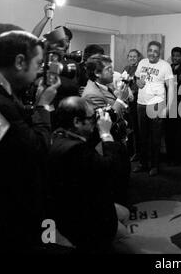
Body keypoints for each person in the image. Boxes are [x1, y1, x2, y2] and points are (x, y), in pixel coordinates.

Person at [0, 30, 60, 250]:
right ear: (20, 62)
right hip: (7, 204)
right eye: (38, 63)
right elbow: (37, 147)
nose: (40, 70)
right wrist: (43, 106)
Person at [46, 96, 131, 252]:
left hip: (77, 204)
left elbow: (87, 141)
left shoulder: (60, 135)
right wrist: (106, 134)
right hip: (84, 219)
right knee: (124, 235)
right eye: (92, 117)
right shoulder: (74, 151)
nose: (95, 120)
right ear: (77, 122)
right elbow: (112, 169)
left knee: (124, 213)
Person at [81, 54, 132, 201]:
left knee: (122, 173)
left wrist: (121, 97)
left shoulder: (103, 86)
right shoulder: (92, 93)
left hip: (117, 138)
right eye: (108, 69)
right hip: (106, 143)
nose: (112, 72)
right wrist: (120, 100)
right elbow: (106, 118)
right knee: (114, 178)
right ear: (97, 73)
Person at [133, 41, 174, 176]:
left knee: (155, 138)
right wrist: (137, 81)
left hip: (157, 104)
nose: (152, 53)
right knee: (142, 136)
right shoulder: (142, 62)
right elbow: (136, 77)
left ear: (160, 53)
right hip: (141, 103)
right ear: (147, 50)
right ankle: (143, 164)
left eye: (155, 51)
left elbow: (171, 88)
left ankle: (154, 166)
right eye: (150, 50)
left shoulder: (165, 66)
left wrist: (168, 107)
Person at [121, 49, 143, 162]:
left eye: (134, 56)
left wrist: (131, 91)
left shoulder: (140, 68)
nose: (132, 58)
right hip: (126, 102)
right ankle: (129, 152)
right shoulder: (126, 68)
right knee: (128, 128)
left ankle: (138, 153)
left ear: (138, 57)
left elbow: (139, 85)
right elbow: (123, 83)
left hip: (136, 101)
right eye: (130, 56)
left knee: (137, 129)